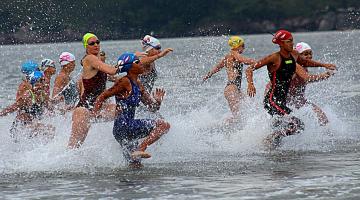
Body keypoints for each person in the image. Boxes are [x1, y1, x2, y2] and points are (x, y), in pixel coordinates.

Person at [245, 30, 336, 148]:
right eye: (288, 41)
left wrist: (323, 65)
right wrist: (250, 84)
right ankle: (268, 140)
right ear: (281, 44)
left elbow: (306, 62)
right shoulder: (276, 58)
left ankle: (271, 150)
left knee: (287, 126)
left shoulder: (294, 56)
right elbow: (249, 69)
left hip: (282, 101)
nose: (291, 43)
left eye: (292, 40)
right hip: (272, 101)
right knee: (297, 125)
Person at [92, 53, 170, 168]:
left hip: (126, 130)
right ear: (129, 67)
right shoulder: (124, 82)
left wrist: (158, 101)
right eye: (137, 62)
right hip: (123, 126)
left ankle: (128, 185)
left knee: (135, 164)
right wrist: (96, 114)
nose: (141, 64)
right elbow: (102, 97)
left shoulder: (138, 84)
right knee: (163, 125)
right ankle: (142, 147)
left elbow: (152, 108)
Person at [67, 33, 123, 149]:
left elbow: (115, 78)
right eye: (92, 43)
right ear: (86, 46)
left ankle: (125, 145)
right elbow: (112, 71)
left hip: (99, 108)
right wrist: (130, 60)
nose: (96, 45)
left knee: (121, 110)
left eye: (98, 42)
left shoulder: (98, 62)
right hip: (84, 110)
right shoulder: (90, 59)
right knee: (73, 148)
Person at [203, 36, 255, 122]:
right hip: (232, 88)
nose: (244, 47)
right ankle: (221, 126)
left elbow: (217, 67)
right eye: (243, 45)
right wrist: (261, 62)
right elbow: (244, 60)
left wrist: (209, 74)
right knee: (237, 117)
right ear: (237, 46)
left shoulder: (227, 56)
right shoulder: (235, 54)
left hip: (235, 89)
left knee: (250, 107)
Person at [0, 71, 54, 141]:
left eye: (41, 83)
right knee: (47, 130)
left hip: (31, 127)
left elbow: (51, 108)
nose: (40, 86)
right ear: (31, 85)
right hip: (19, 129)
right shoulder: (27, 97)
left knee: (51, 129)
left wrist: (64, 110)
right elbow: (12, 108)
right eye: (37, 85)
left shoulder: (43, 95)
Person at [287, 42, 329, 125]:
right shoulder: (294, 65)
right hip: (285, 101)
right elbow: (307, 78)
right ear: (298, 56)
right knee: (291, 126)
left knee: (323, 118)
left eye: (310, 53)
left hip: (298, 100)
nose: (309, 56)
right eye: (305, 54)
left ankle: (327, 137)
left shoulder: (303, 66)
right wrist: (324, 76)